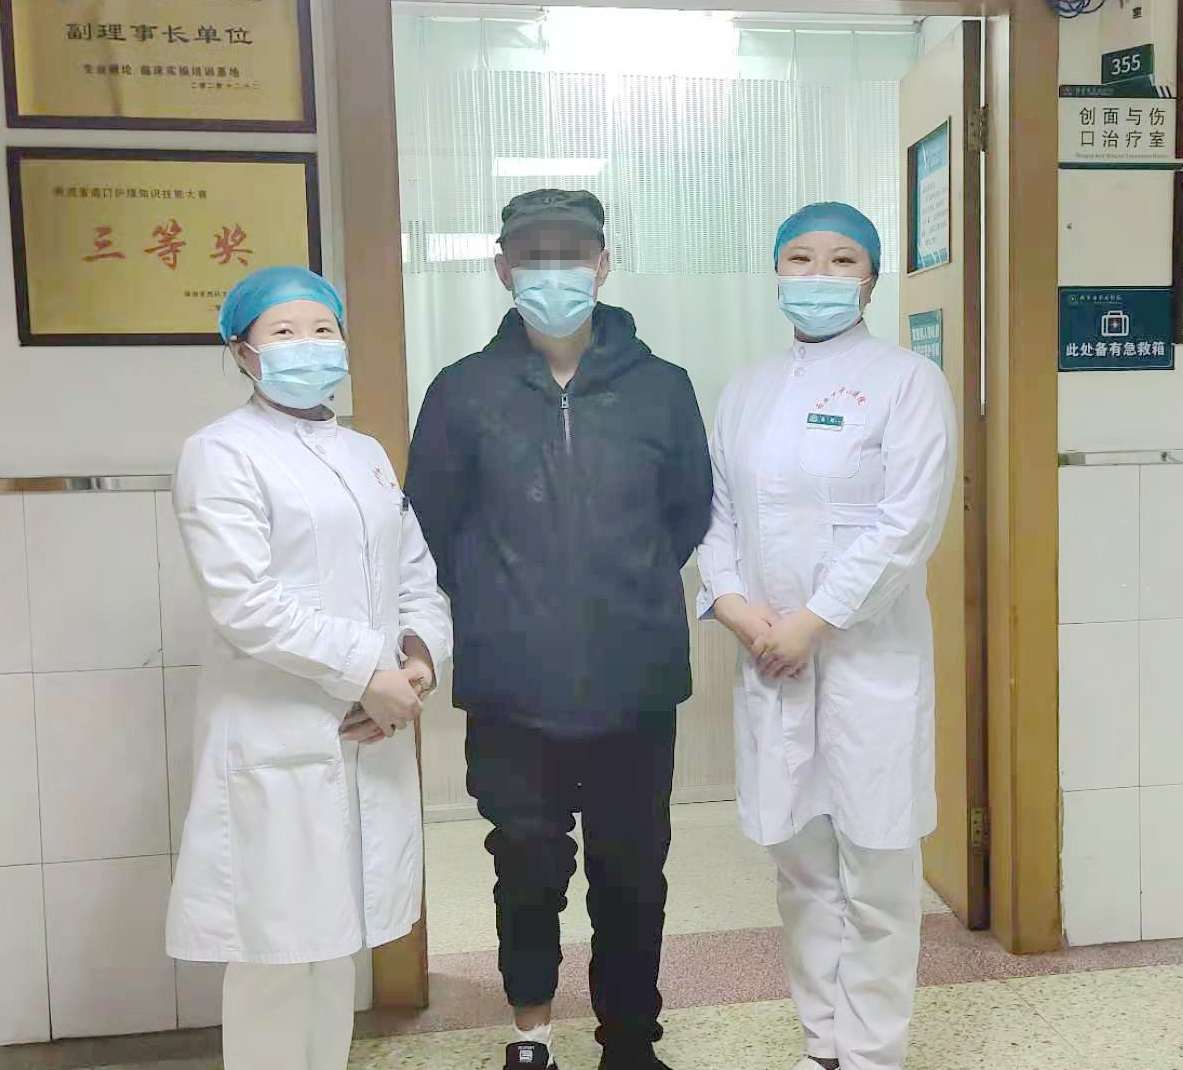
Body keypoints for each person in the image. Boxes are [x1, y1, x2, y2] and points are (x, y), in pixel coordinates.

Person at [405, 189, 713, 1070]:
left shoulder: (661, 388)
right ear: (503, 269)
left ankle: (630, 1040)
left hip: (634, 684)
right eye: (533, 256)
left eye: (571, 254)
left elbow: (687, 513)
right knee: (526, 869)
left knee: (631, 874)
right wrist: (508, 603)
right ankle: (531, 1031)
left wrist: (618, 592)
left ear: (603, 265)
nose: (553, 273)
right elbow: (427, 527)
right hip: (512, 687)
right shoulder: (463, 392)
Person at [165, 266, 452, 1070]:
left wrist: (417, 661)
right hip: (278, 732)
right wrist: (368, 673)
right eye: (284, 332)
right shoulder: (220, 452)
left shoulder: (364, 453)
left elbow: (413, 572)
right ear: (242, 352)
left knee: (334, 947)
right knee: (274, 951)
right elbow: (245, 603)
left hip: (367, 726)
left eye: (322, 329)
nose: (308, 346)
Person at [697, 203, 957, 1070]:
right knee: (801, 868)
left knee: (877, 870)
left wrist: (813, 621)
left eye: (841, 260)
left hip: (864, 656)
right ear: (776, 274)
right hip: (769, 656)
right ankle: (822, 1045)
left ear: (871, 280)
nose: (818, 276)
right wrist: (733, 605)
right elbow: (716, 516)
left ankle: (872, 1053)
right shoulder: (745, 389)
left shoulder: (907, 382)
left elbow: (906, 524)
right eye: (800, 259)